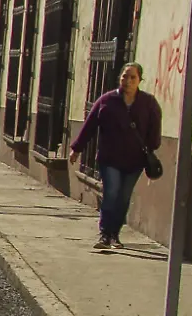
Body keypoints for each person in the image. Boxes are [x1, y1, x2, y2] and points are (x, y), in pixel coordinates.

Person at [69, 61, 162, 250]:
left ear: (139, 80)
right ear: (119, 78)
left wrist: (151, 147)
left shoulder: (148, 103)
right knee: (111, 193)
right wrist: (76, 148)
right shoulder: (106, 101)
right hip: (109, 158)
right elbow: (90, 126)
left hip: (134, 161)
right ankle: (104, 233)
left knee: (124, 197)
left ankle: (114, 234)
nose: (128, 81)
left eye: (132, 77)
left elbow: (155, 129)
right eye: (124, 76)